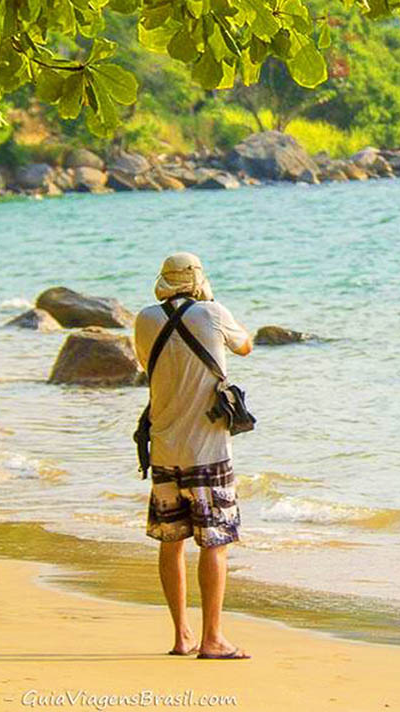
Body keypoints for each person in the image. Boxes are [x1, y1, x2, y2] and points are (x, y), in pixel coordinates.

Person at [132, 252, 254, 660]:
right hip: (208, 450)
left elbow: (146, 362)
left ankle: (182, 637)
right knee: (214, 543)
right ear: (198, 279)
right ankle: (213, 639)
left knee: (172, 541)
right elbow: (245, 347)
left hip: (164, 447)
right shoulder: (213, 312)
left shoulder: (144, 319)